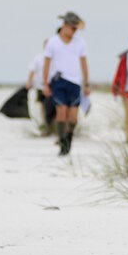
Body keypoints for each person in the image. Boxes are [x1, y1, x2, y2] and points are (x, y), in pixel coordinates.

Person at [43, 12, 89, 156]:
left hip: (75, 82)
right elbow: (46, 64)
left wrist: (86, 84)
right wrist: (45, 84)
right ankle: (63, 143)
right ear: (65, 26)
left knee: (73, 116)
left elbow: (84, 63)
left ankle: (69, 138)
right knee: (61, 112)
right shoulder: (53, 42)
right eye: (72, 28)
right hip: (58, 80)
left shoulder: (80, 43)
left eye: (76, 29)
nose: (74, 31)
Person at [26, 38, 55, 132]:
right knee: (43, 106)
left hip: (53, 86)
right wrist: (29, 81)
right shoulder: (38, 58)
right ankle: (45, 125)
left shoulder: (56, 58)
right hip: (40, 86)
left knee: (55, 106)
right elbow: (32, 70)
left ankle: (54, 127)